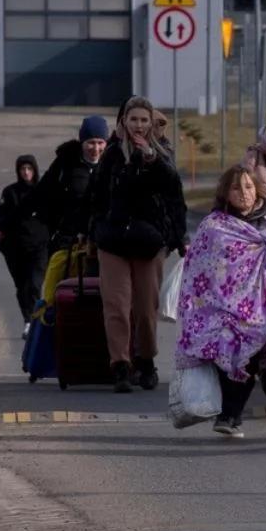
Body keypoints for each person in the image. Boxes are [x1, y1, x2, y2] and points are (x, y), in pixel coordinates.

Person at [175, 165, 266, 438]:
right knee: (222, 357)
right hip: (217, 308)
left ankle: (231, 415)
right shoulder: (214, 227)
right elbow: (198, 270)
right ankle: (226, 411)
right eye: (237, 187)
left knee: (247, 357)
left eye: (249, 187)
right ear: (226, 192)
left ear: (258, 190)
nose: (244, 193)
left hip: (257, 311)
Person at [88, 96, 188, 393]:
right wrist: (94, 231)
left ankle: (146, 360)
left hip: (149, 241)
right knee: (116, 306)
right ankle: (120, 365)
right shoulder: (112, 155)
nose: (139, 126)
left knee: (146, 308)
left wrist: (177, 237)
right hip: (114, 240)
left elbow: (174, 196)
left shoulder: (162, 154)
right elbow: (98, 197)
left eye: (144, 120)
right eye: (134, 120)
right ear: (124, 122)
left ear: (151, 123)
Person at [20, 116, 108, 254]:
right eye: (91, 143)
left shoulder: (111, 164)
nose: (96, 149)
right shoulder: (66, 162)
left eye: (100, 143)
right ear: (82, 141)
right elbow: (40, 193)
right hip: (67, 239)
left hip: (102, 240)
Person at [0, 155, 50, 339]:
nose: (26, 173)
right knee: (22, 287)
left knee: (35, 285)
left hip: (39, 248)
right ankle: (28, 320)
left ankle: (37, 321)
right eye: (22, 169)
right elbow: (1, 221)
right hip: (16, 249)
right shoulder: (10, 193)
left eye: (29, 169)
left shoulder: (43, 191)